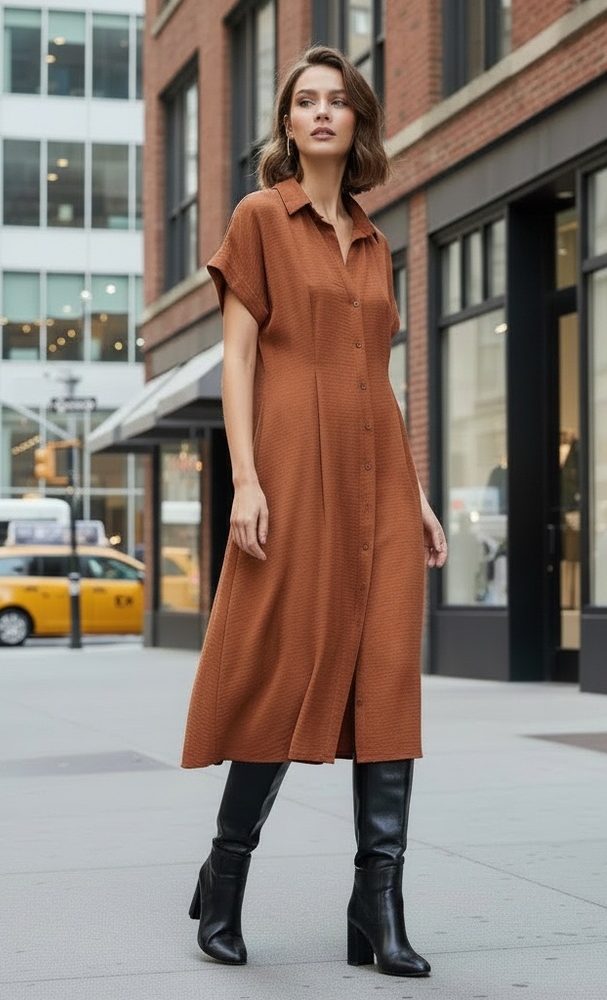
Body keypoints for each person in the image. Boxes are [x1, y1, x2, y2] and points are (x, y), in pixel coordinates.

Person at [181, 46, 447, 977]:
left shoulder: (376, 239)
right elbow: (241, 360)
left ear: (357, 121)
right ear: (287, 124)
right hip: (292, 468)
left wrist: (412, 493)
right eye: (307, 102)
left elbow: (379, 380)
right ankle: (226, 873)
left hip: (378, 475)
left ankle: (378, 905)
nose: (323, 113)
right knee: (284, 665)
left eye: (339, 101)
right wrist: (245, 478)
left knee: (385, 679)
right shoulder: (262, 217)